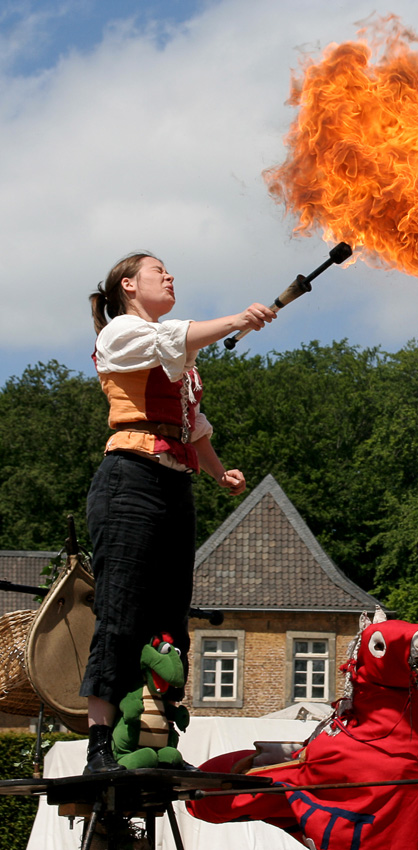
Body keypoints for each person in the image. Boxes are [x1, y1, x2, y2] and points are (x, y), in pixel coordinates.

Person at [80, 252, 276, 773]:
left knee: (171, 622)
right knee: (120, 617)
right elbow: (174, 340)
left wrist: (218, 472)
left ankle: (158, 739)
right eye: (156, 270)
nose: (169, 276)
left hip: (173, 483)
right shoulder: (120, 333)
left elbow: (192, 426)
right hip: (129, 479)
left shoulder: (177, 353)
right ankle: (101, 747)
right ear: (128, 285)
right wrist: (237, 319)